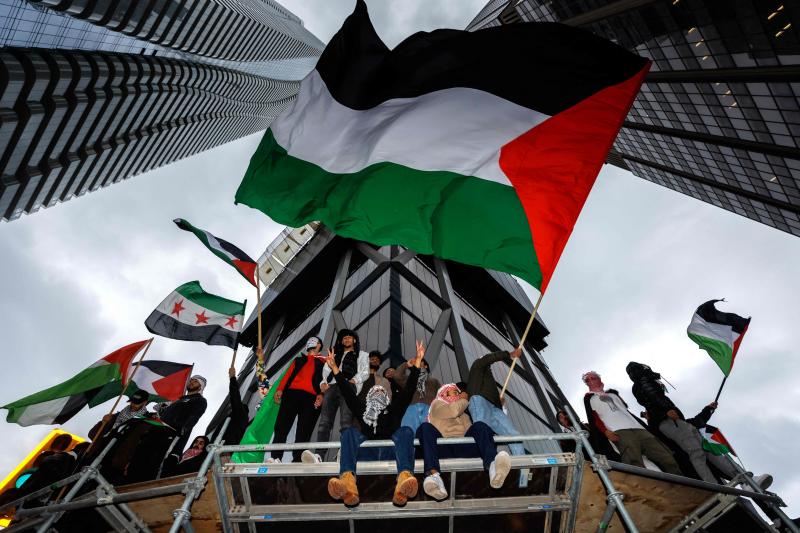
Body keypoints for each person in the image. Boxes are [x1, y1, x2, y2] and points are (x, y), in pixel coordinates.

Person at [326, 341, 425, 507]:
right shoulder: (363, 409)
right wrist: (335, 369)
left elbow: (408, 391)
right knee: (349, 432)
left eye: (382, 391)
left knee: (406, 430)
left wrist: (417, 364)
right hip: (367, 451)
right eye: (375, 391)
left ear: (387, 397)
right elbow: (348, 393)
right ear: (369, 397)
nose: (378, 392)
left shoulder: (393, 409)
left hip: (390, 452)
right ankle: (348, 483)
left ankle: (404, 480)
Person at [625, 362, 737, 484]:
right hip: (691, 473)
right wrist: (667, 409)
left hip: (708, 472)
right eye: (644, 414)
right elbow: (653, 394)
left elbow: (696, 421)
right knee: (697, 452)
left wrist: (708, 409)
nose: (646, 413)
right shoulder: (657, 428)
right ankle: (716, 484)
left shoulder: (671, 424)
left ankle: (741, 478)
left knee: (707, 450)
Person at [417, 384, 511, 500]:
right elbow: (453, 411)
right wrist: (464, 398)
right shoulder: (437, 404)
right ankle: (433, 475)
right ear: (443, 394)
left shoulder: (464, 415)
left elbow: (471, 431)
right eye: (454, 392)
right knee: (425, 427)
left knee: (480, 426)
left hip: (463, 447)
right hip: (444, 447)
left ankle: (493, 466)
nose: (457, 394)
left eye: (458, 392)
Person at [582, 370, 681, 474]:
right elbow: (594, 418)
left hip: (639, 428)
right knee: (635, 463)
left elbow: (625, 409)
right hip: (619, 431)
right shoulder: (590, 398)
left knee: (666, 457)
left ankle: (682, 483)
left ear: (599, 379)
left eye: (593, 378)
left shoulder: (613, 395)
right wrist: (606, 431)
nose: (590, 381)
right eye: (587, 380)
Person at [269, 337, 325, 463]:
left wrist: (322, 394)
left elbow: (326, 380)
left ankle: (298, 460)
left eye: (314, 340)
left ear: (319, 345)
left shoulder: (324, 361)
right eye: (310, 340)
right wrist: (280, 389)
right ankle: (275, 458)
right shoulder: (299, 359)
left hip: (311, 397)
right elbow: (287, 374)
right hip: (291, 394)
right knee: (281, 427)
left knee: (304, 429)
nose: (311, 341)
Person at [315, 329, 369, 458]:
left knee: (346, 422)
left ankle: (343, 453)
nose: (347, 339)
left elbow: (365, 371)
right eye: (344, 338)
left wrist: (354, 380)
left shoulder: (362, 355)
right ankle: (319, 455)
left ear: (354, 340)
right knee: (324, 422)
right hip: (332, 386)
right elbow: (326, 370)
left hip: (348, 386)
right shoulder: (335, 355)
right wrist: (323, 382)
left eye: (350, 337)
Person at [466, 348, 525, 456]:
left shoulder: (488, 378)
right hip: (479, 400)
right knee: (483, 431)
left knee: (513, 434)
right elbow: (489, 357)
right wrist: (509, 354)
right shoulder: (478, 364)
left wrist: (498, 401)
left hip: (494, 407)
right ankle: (488, 461)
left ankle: (523, 467)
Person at [159, 375, 208, 454]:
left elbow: (193, 418)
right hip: (158, 432)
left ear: (200, 387)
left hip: (172, 437)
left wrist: (180, 429)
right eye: (191, 380)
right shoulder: (179, 399)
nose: (191, 382)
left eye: (195, 381)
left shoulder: (200, 400)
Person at [396, 357, 440, 433]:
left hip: (429, 409)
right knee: (407, 432)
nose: (418, 363)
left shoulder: (434, 381)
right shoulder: (409, 379)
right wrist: (406, 364)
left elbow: (441, 395)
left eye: (420, 362)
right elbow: (397, 376)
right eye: (416, 362)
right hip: (411, 408)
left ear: (426, 366)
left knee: (428, 434)